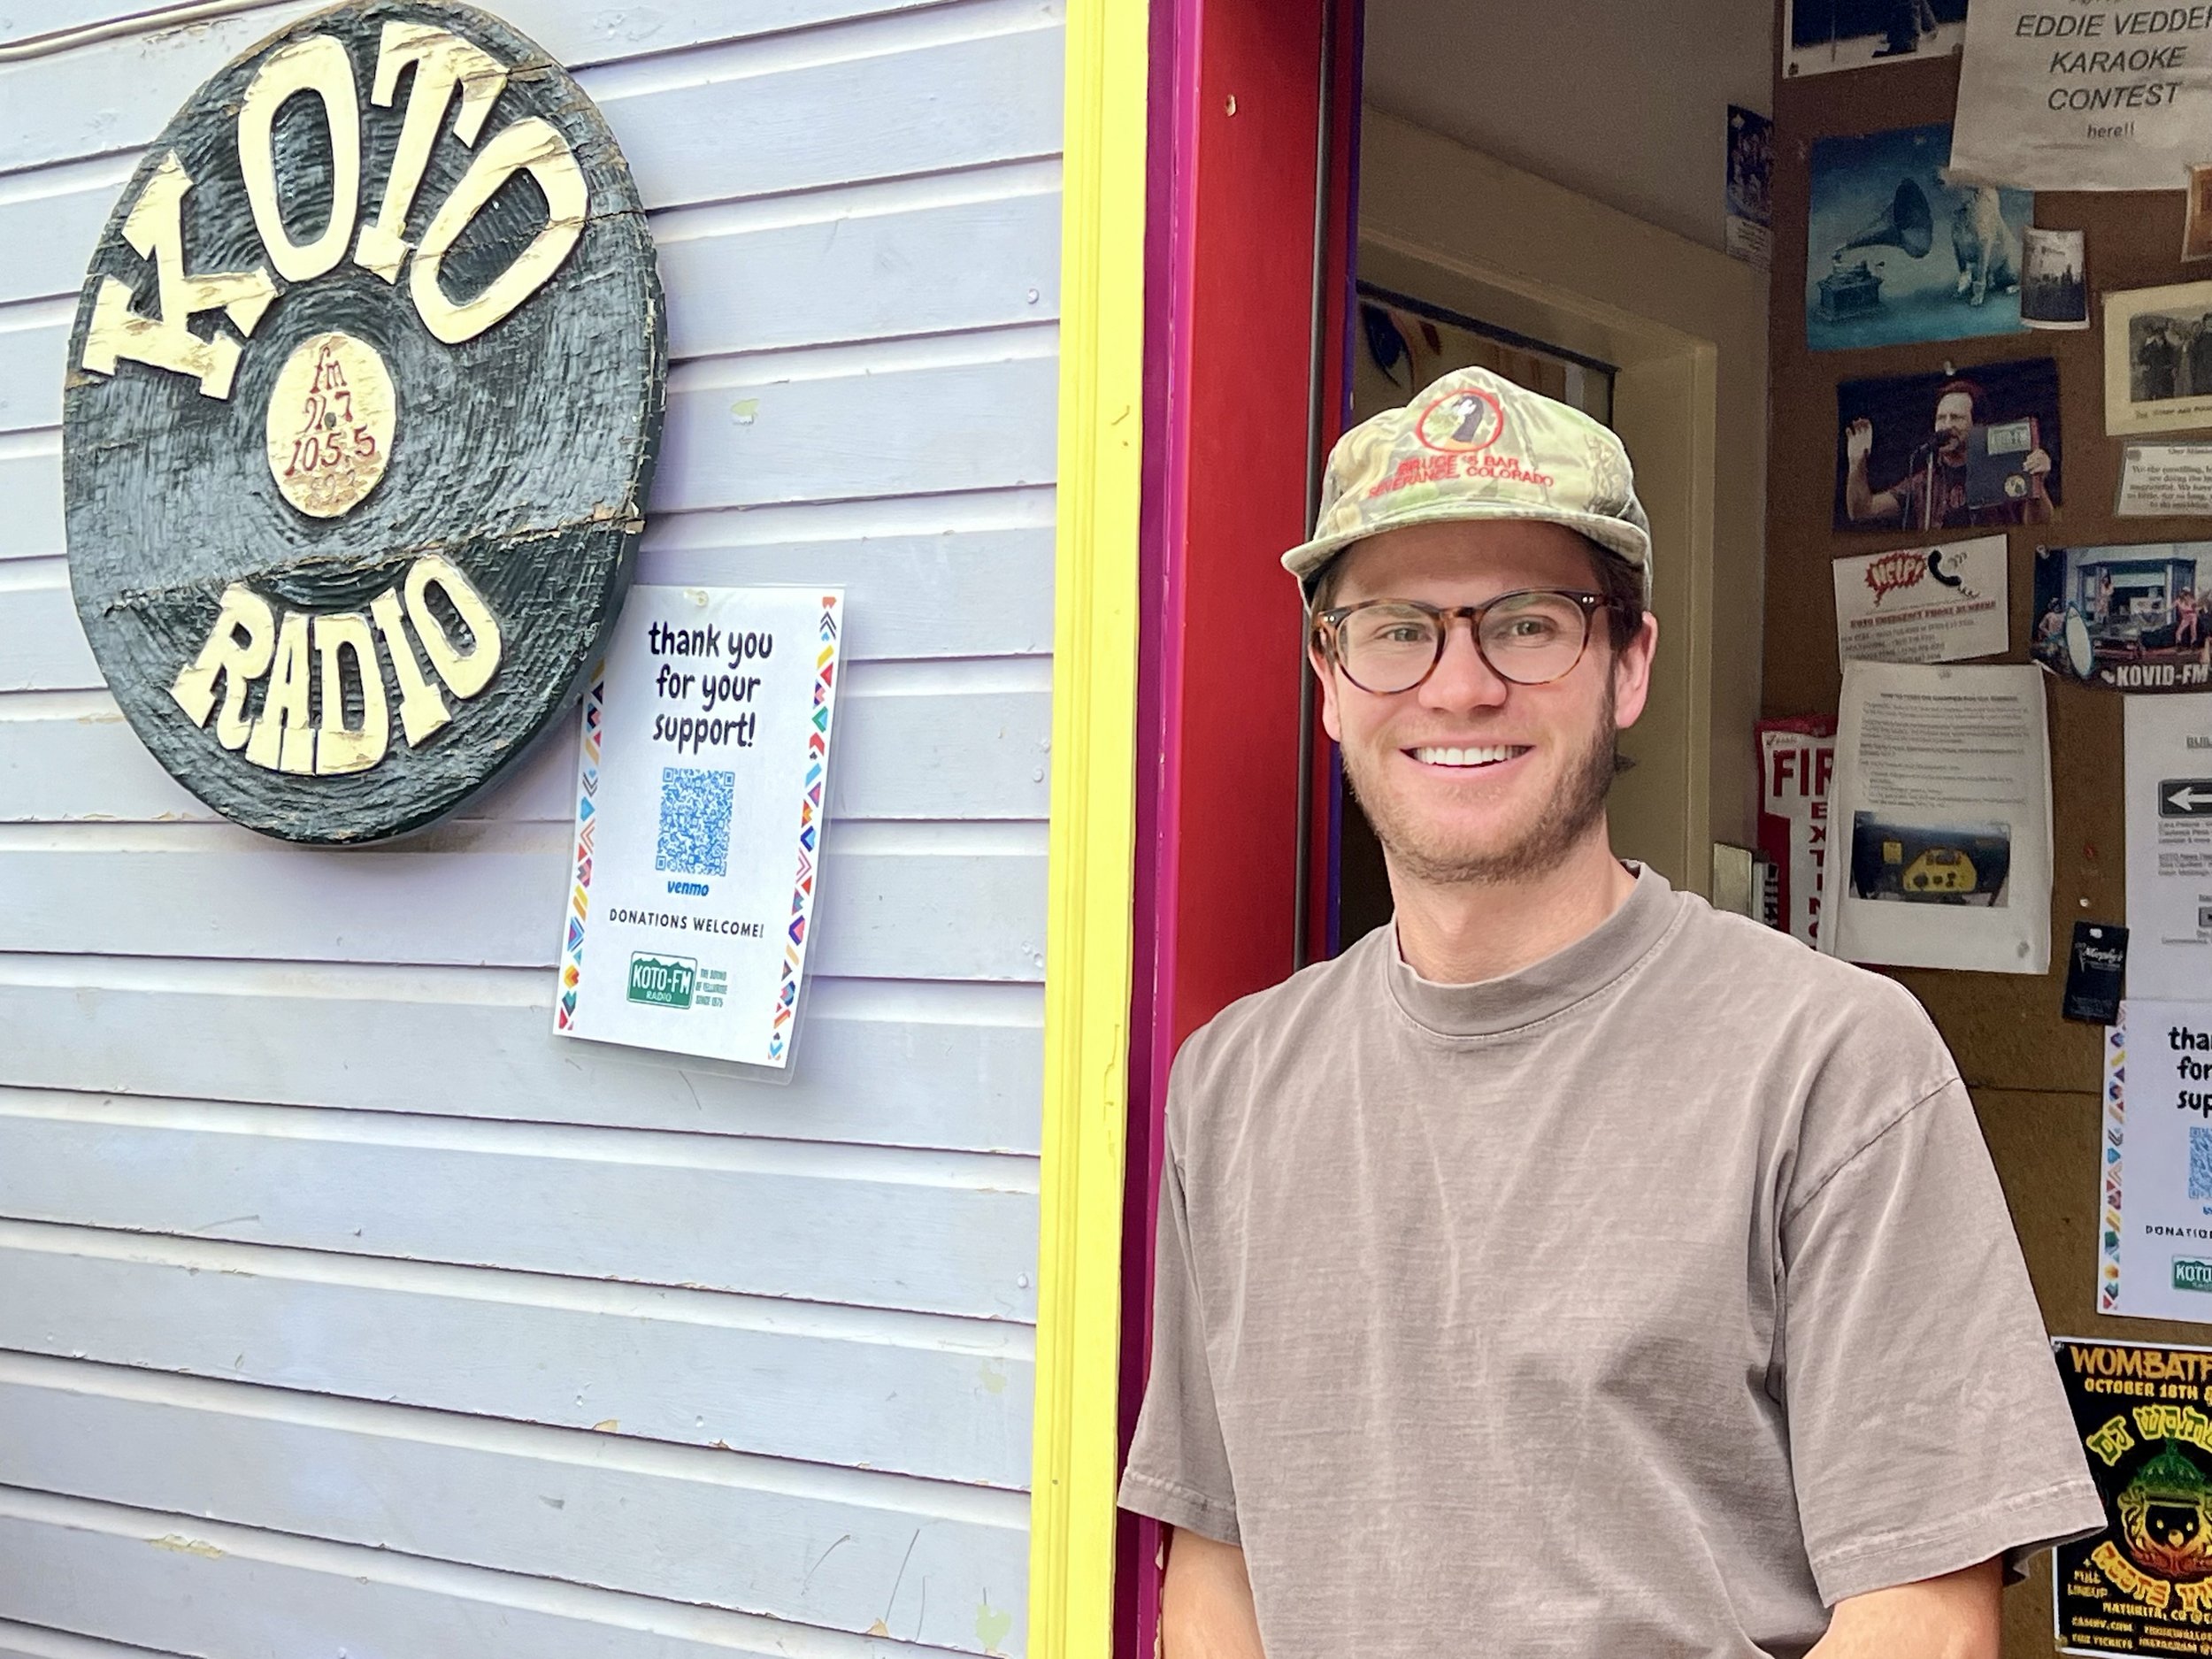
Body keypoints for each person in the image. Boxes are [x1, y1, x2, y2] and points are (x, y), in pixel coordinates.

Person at [1118, 366, 2103, 1659]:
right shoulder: (1233, 1088)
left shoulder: (1831, 1064)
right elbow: (1219, 1571)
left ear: (1629, 664)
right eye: (1398, 626)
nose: (1459, 684)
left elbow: (1923, 1614)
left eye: (1527, 623)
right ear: (1330, 677)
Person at [1841, 378, 2051, 529]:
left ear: (1977, 424)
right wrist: (1856, 462)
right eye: (1941, 418)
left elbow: (2039, 527)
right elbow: (1862, 510)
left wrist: (2036, 486)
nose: (1946, 425)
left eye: (1956, 417)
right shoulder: (1925, 481)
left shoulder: (2002, 469)